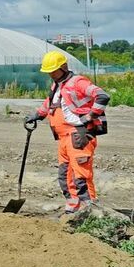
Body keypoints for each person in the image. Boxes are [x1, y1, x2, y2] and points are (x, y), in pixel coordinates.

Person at [26, 50, 110, 217]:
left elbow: (102, 96)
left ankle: (90, 210)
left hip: (78, 135)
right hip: (64, 138)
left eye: (53, 70)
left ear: (64, 67)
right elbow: (50, 103)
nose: (50, 74)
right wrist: (38, 114)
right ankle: (73, 207)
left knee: (81, 176)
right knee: (65, 175)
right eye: (48, 71)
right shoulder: (57, 85)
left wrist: (90, 116)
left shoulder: (77, 82)